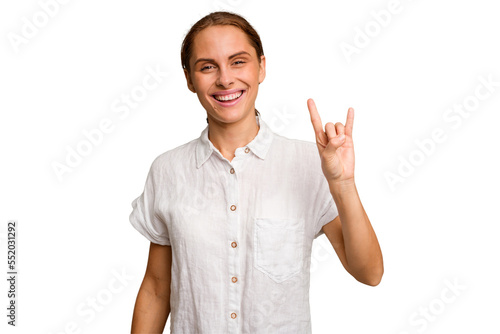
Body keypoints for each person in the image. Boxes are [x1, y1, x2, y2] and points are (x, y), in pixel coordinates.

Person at [129, 11, 383, 333]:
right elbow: (156, 287)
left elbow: (369, 272)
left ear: (261, 66)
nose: (225, 79)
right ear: (189, 79)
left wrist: (343, 184)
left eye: (238, 61)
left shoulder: (309, 164)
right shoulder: (167, 171)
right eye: (208, 66)